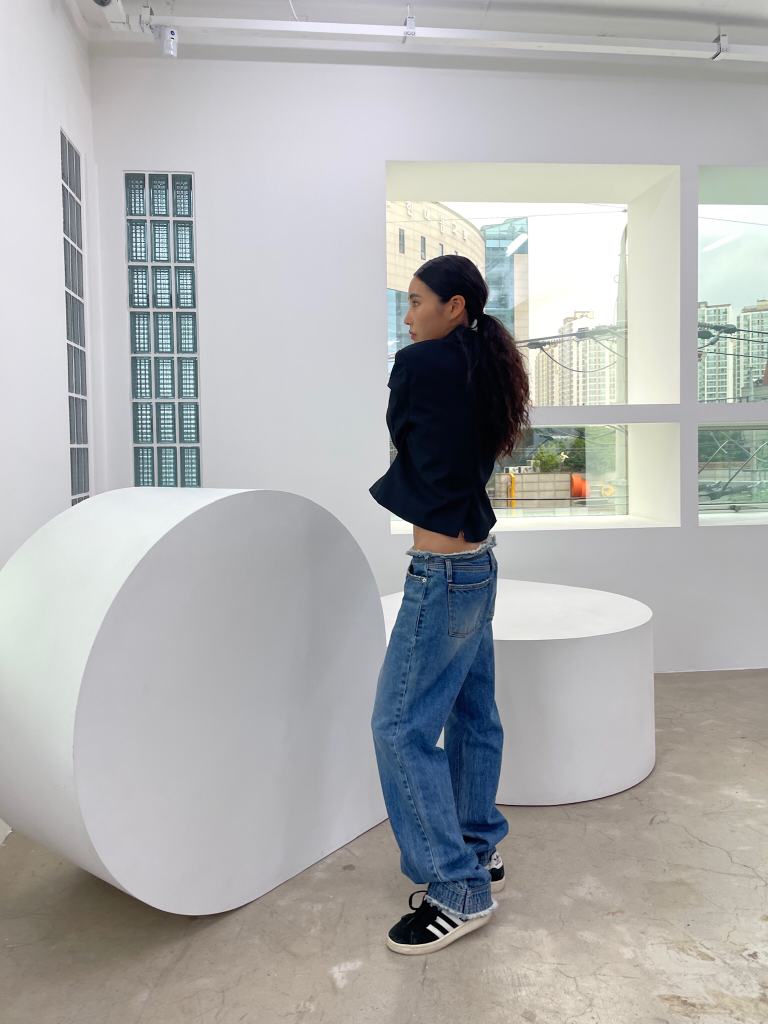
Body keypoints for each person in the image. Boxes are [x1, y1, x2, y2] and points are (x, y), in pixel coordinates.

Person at [369, 254, 532, 955]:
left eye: (416, 301)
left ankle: (458, 888)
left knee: (398, 727)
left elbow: (401, 433)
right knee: (473, 713)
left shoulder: (421, 365)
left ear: (454, 306)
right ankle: (476, 845)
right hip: (477, 564)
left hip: (441, 574)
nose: (408, 316)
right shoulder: (485, 366)